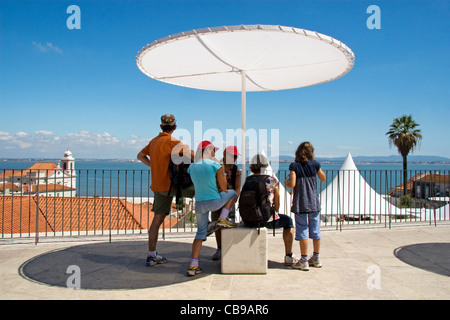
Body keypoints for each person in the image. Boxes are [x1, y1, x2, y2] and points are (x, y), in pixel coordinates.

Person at [137, 114, 195, 267]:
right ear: (175, 127)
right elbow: (195, 157)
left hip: (158, 187)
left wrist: (153, 166)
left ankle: (151, 254)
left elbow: (140, 156)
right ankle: (213, 221)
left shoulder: (153, 142)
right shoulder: (174, 142)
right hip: (174, 186)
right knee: (205, 192)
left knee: (156, 220)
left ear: (161, 127)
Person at [186, 141, 237, 276]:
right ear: (208, 150)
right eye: (214, 149)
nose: (215, 152)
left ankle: (193, 264)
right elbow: (224, 187)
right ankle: (223, 218)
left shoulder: (192, 167)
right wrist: (223, 173)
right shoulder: (215, 165)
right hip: (214, 202)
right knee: (232, 193)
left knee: (200, 234)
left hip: (199, 204)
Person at [244, 153, 298, 266]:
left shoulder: (247, 180)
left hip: (248, 218)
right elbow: (277, 203)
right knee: (288, 221)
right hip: (265, 219)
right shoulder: (270, 180)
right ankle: (288, 256)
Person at [285, 142, 326, 271]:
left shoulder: (294, 166)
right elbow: (323, 178)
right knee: (315, 229)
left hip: (301, 202)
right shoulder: (315, 164)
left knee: (302, 230)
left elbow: (292, 184)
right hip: (314, 202)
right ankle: (316, 258)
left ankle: (303, 260)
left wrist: (286, 182)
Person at [209, 146, 242, 260]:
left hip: (228, 201)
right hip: (216, 197)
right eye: (232, 156)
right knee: (216, 224)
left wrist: (235, 198)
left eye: (235, 156)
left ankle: (226, 249)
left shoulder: (236, 170)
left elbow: (237, 187)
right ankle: (220, 248)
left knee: (225, 225)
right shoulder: (216, 166)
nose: (234, 158)